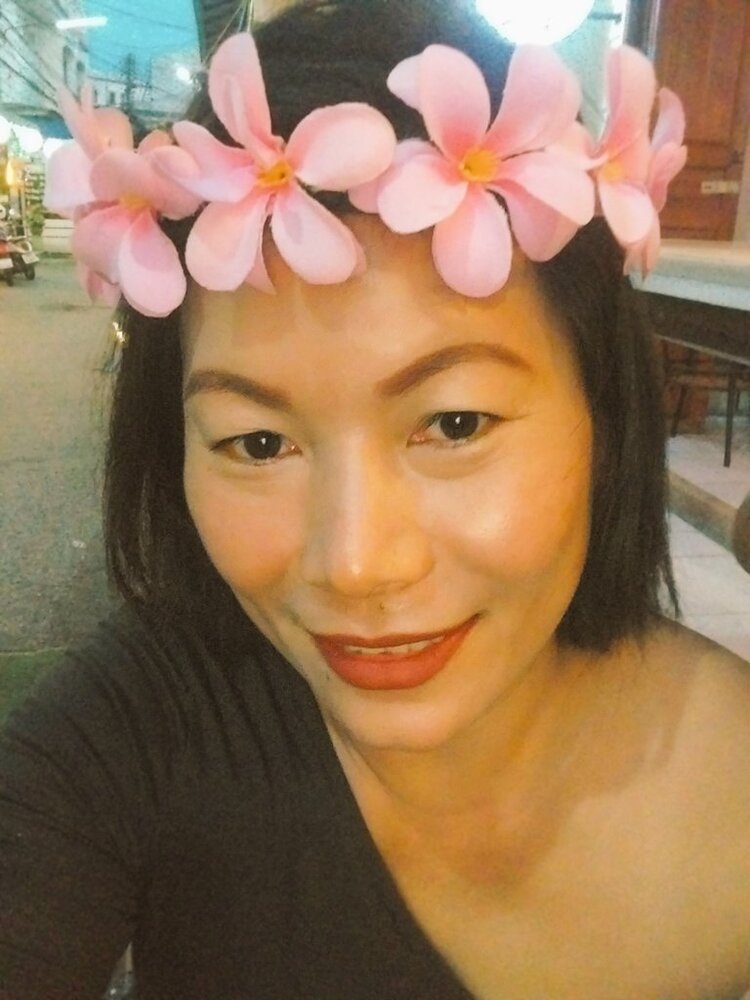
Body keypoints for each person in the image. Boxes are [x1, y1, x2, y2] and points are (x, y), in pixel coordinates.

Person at [2, 1, 750, 998]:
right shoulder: (140, 730)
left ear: (604, 418)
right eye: (257, 443)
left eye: (455, 423)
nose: (355, 563)